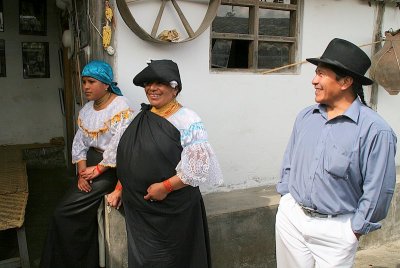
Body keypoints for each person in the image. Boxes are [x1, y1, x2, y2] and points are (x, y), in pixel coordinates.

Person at [275, 38, 397, 267]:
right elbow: (289, 161)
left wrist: (354, 229)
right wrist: (286, 198)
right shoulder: (306, 116)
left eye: (321, 74)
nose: (314, 80)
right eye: (316, 73)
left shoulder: (375, 130)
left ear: (345, 82)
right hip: (291, 219)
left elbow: (378, 189)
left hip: (336, 231)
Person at [115, 59, 224, 268]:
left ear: (175, 89)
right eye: (148, 83)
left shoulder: (188, 120)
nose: (152, 88)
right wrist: (120, 187)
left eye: (159, 83)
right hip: (139, 210)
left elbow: (198, 167)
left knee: (171, 259)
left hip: (172, 210)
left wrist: (165, 187)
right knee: (143, 260)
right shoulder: (142, 116)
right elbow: (128, 157)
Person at [40, 60, 134, 268]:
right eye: (83, 82)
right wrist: (82, 172)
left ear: (106, 84)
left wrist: (99, 169)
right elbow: (79, 142)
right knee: (74, 212)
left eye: (91, 82)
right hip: (89, 167)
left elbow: (121, 146)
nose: (85, 87)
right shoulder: (87, 110)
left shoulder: (120, 107)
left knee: (62, 213)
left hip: (111, 169)